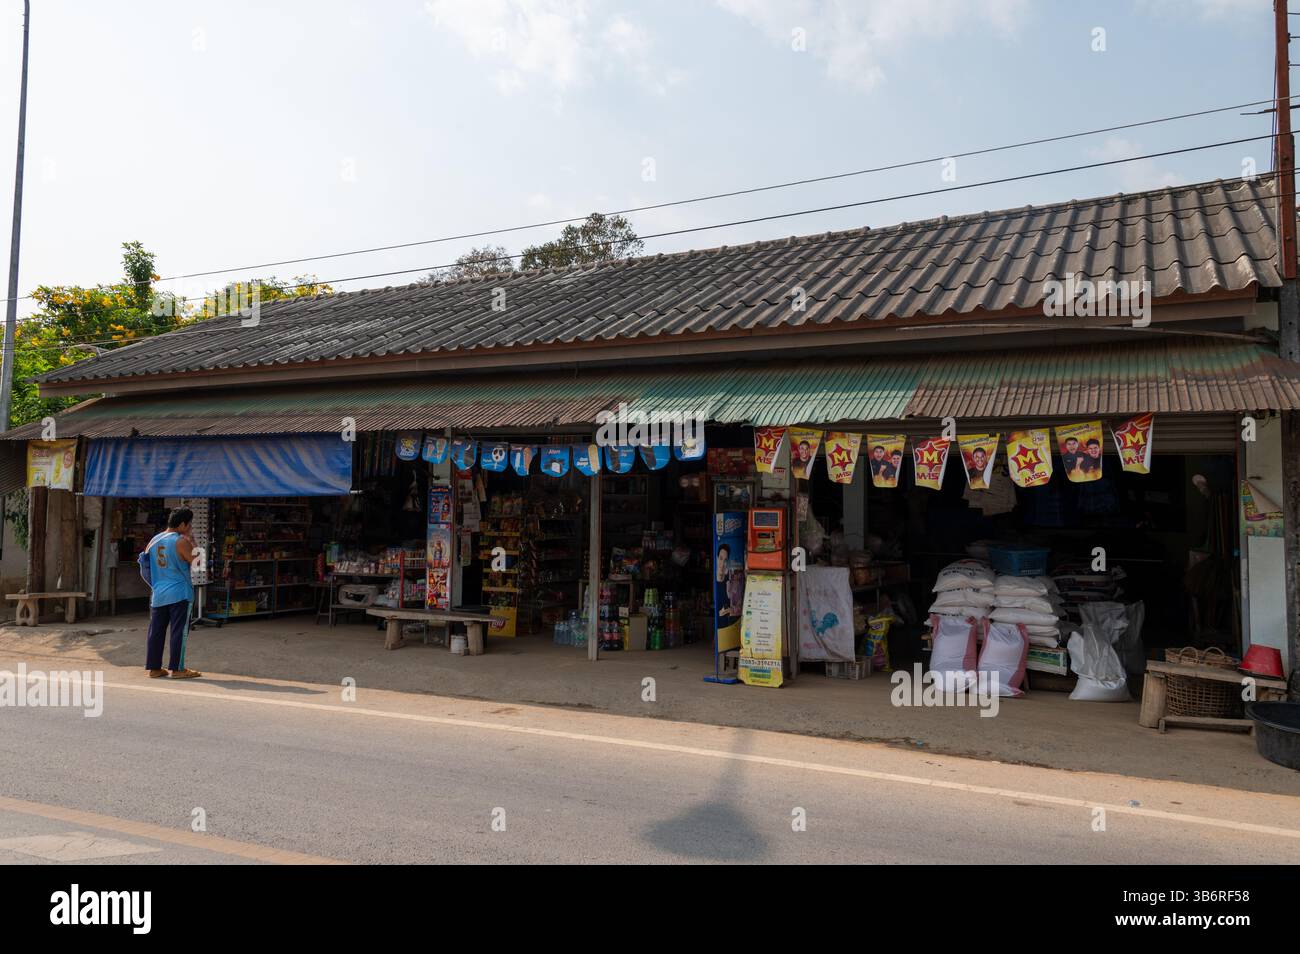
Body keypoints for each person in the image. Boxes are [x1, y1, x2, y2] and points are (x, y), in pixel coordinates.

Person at [139, 507, 202, 679]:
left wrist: (156, 584)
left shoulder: (154, 540)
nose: (190, 528)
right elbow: (198, 564)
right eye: (189, 524)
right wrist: (194, 542)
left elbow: (144, 566)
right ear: (182, 524)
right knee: (179, 632)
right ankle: (178, 669)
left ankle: (154, 668)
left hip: (159, 593)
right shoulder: (180, 541)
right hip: (180, 593)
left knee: (156, 631)